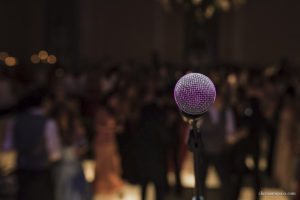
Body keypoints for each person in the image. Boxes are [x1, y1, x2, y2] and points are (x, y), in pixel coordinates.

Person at [2, 88, 61, 200]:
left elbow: (7, 147)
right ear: (45, 102)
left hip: (23, 174)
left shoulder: (15, 121)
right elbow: (55, 154)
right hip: (41, 174)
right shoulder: (48, 123)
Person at [198, 92, 236, 200]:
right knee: (201, 181)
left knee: (225, 180)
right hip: (204, 151)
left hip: (220, 151)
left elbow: (230, 133)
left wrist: (231, 139)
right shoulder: (202, 113)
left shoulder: (227, 113)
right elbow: (193, 129)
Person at [52, 104, 91, 200]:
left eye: (65, 116)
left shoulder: (76, 129)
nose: (63, 120)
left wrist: (75, 152)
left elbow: (84, 145)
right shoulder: (54, 131)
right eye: (61, 117)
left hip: (75, 168)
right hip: (61, 170)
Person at [136, 88, 169, 200]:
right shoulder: (159, 112)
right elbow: (163, 134)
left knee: (145, 182)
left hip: (145, 152)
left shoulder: (144, 110)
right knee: (158, 183)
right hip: (156, 153)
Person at [93, 107, 124, 194]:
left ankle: (112, 187)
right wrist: (109, 127)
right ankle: (103, 188)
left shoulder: (114, 112)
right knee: (103, 165)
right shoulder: (101, 112)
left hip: (110, 143)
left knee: (112, 164)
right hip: (102, 143)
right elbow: (97, 126)